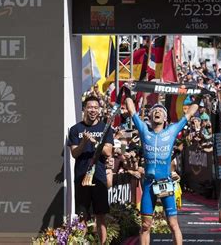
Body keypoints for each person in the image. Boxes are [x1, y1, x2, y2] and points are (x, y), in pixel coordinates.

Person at [124, 87, 201, 245]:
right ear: (150, 117)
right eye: (154, 110)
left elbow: (190, 112)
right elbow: (131, 108)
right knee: (145, 225)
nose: (157, 112)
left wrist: (200, 94)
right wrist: (127, 90)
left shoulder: (171, 131)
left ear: (165, 118)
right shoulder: (145, 131)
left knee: (173, 224)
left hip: (165, 182)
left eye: (160, 111)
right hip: (149, 184)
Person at [67, 95, 113, 244]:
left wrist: (93, 141)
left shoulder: (105, 129)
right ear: (84, 109)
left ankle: (103, 243)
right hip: (81, 177)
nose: (92, 110)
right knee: (83, 216)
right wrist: (83, 143)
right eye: (90, 107)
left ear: (99, 110)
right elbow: (74, 153)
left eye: (95, 107)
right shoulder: (75, 129)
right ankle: (81, 242)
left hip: (99, 177)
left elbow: (108, 152)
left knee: (100, 216)